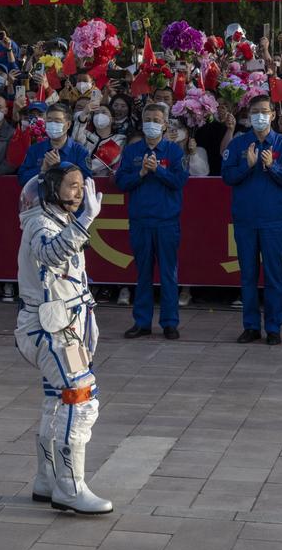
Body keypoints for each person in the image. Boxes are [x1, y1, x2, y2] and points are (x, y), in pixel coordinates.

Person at [15, 165, 111, 514]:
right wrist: (86, 220)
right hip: (51, 329)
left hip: (62, 324)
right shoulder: (41, 223)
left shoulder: (57, 220)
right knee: (80, 397)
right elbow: (49, 253)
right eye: (71, 186)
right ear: (52, 188)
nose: (78, 192)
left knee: (57, 399)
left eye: (80, 187)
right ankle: (70, 486)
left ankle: (47, 478)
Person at [222, 95, 282, 345]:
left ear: (272, 115)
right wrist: (248, 164)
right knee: (248, 274)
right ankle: (251, 326)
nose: (259, 116)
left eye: (264, 111)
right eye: (255, 112)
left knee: (274, 274)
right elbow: (227, 176)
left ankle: (274, 327)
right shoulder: (239, 144)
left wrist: (272, 166)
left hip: (273, 219)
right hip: (245, 219)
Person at [114, 104, 189, 340]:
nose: (152, 123)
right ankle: (142, 322)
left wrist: (159, 171)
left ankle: (169, 322)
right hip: (140, 221)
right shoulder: (132, 151)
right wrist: (141, 174)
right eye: (148, 119)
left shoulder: (174, 152)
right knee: (143, 273)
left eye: (156, 119)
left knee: (168, 273)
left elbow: (180, 181)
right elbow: (121, 182)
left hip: (166, 221)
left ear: (165, 124)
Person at [18, 103, 91, 186]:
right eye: (49, 120)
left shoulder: (80, 152)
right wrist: (42, 170)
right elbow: (22, 178)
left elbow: (86, 182)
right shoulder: (34, 149)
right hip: (40, 197)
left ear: (68, 125)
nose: (52, 124)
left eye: (57, 121)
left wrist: (59, 168)